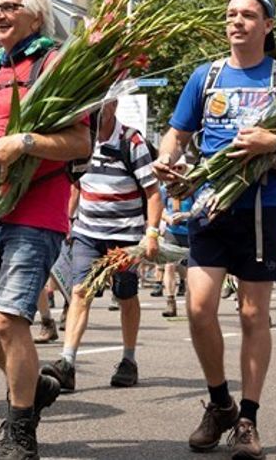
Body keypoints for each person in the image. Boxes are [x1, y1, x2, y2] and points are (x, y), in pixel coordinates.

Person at [152, 0, 276, 459]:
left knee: (251, 315)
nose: (237, 21)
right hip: (210, 207)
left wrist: (275, 144)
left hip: (261, 213)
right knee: (199, 309)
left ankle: (248, 418)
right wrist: (168, 161)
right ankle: (220, 402)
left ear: (268, 26)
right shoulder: (205, 77)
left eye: (248, 15)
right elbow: (177, 134)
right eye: (231, 14)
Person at [0, 0, 91, 459]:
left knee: (11, 320)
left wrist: (26, 142)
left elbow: (81, 142)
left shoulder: (54, 66)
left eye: (10, 7)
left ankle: (20, 431)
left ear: (36, 15)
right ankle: (35, 387)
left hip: (35, 211)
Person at [41, 99, 161, 392]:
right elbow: (75, 184)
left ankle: (128, 360)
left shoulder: (131, 142)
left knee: (125, 294)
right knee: (80, 292)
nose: (96, 111)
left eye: (102, 105)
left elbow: (153, 193)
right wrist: (67, 221)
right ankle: (67, 363)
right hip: (87, 232)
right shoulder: (80, 140)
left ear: (115, 105)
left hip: (124, 236)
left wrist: (152, 233)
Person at [160, 183, 192, 317]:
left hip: (190, 232)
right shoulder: (165, 189)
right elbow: (160, 208)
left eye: (180, 168)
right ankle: (170, 302)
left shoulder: (192, 187)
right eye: (175, 168)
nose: (176, 171)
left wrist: (185, 215)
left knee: (191, 270)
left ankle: (191, 303)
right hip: (172, 232)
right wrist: (167, 218)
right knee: (169, 266)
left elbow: (201, 208)